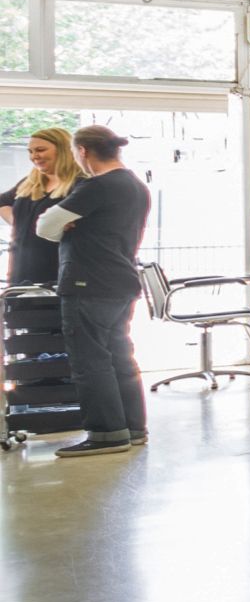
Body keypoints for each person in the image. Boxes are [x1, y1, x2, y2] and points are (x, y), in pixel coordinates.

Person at [37, 124, 150, 456]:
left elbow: (45, 226)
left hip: (88, 284)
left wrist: (67, 227)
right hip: (121, 282)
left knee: (90, 361)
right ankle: (133, 428)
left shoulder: (97, 186)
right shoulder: (135, 185)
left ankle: (106, 434)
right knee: (120, 358)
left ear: (83, 151)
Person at [7, 127, 79, 287]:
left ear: (63, 149)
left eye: (40, 150)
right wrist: (20, 223)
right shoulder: (30, 182)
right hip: (21, 267)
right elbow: (2, 202)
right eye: (30, 151)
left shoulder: (80, 184)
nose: (34, 156)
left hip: (57, 269)